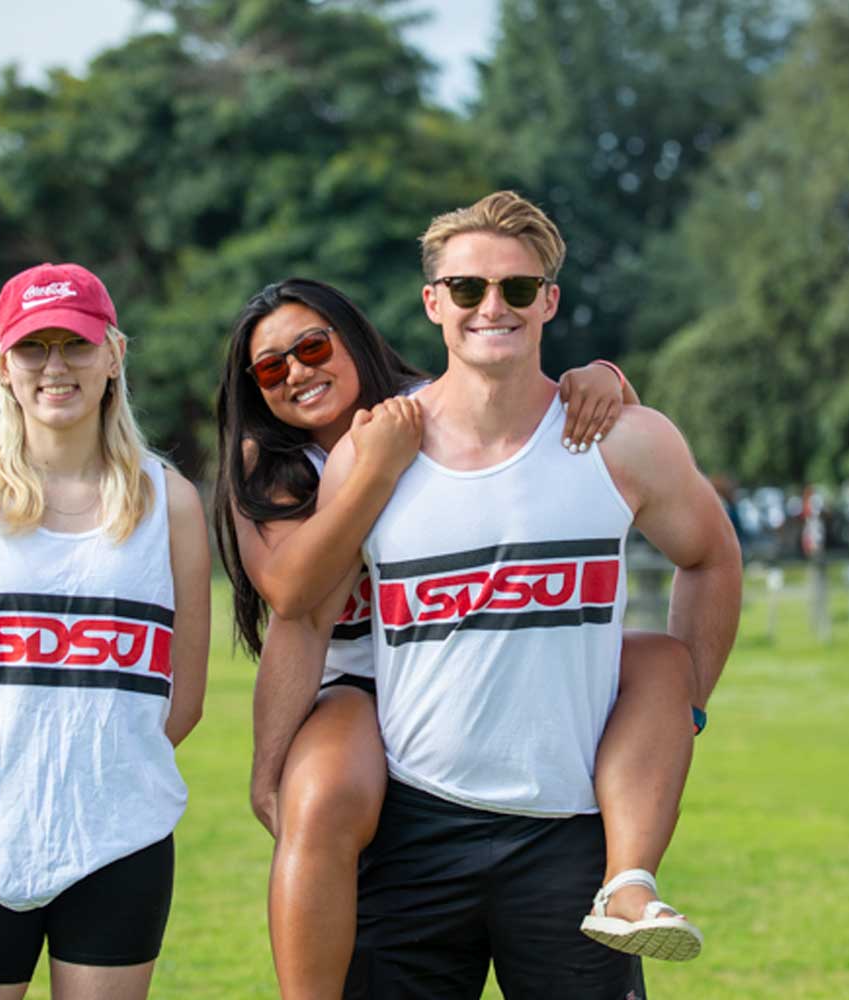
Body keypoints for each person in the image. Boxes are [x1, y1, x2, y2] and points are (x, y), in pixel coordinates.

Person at [255, 191, 742, 999]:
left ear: (549, 300)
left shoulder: (625, 440)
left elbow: (712, 558)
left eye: (518, 289)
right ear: (433, 302)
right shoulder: (377, 453)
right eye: (469, 288)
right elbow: (302, 620)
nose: (494, 306)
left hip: (573, 837)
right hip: (415, 826)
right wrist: (269, 773)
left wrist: (680, 707)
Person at [0, 262, 210, 1000]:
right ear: (4, 364)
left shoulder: (172, 503)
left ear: (113, 355)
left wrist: (92, 792)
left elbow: (181, 702)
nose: (55, 367)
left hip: (119, 842)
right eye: (34, 348)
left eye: (76, 344)